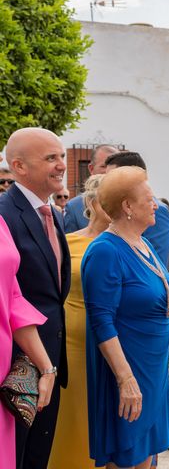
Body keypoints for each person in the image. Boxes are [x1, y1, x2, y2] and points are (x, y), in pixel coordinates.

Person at [82, 166, 169, 468]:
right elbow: (101, 321)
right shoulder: (105, 251)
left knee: (147, 453)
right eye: (149, 199)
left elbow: (156, 289)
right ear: (127, 207)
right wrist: (126, 380)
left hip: (153, 369)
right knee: (125, 456)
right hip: (127, 370)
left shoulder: (142, 243)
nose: (156, 205)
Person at [0, 128, 71, 469]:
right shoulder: (4, 214)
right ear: (19, 166)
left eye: (62, 156)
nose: (62, 165)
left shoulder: (54, 214)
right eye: (51, 158)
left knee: (38, 456)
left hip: (48, 361)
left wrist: (49, 365)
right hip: (14, 368)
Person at [49, 175, 109, 468]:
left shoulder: (128, 244)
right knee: (72, 411)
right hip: (72, 338)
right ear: (91, 202)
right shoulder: (66, 242)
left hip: (113, 337)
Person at [64, 145, 118, 233]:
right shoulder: (74, 207)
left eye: (115, 167)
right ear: (91, 169)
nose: (110, 171)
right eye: (104, 166)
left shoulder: (133, 203)